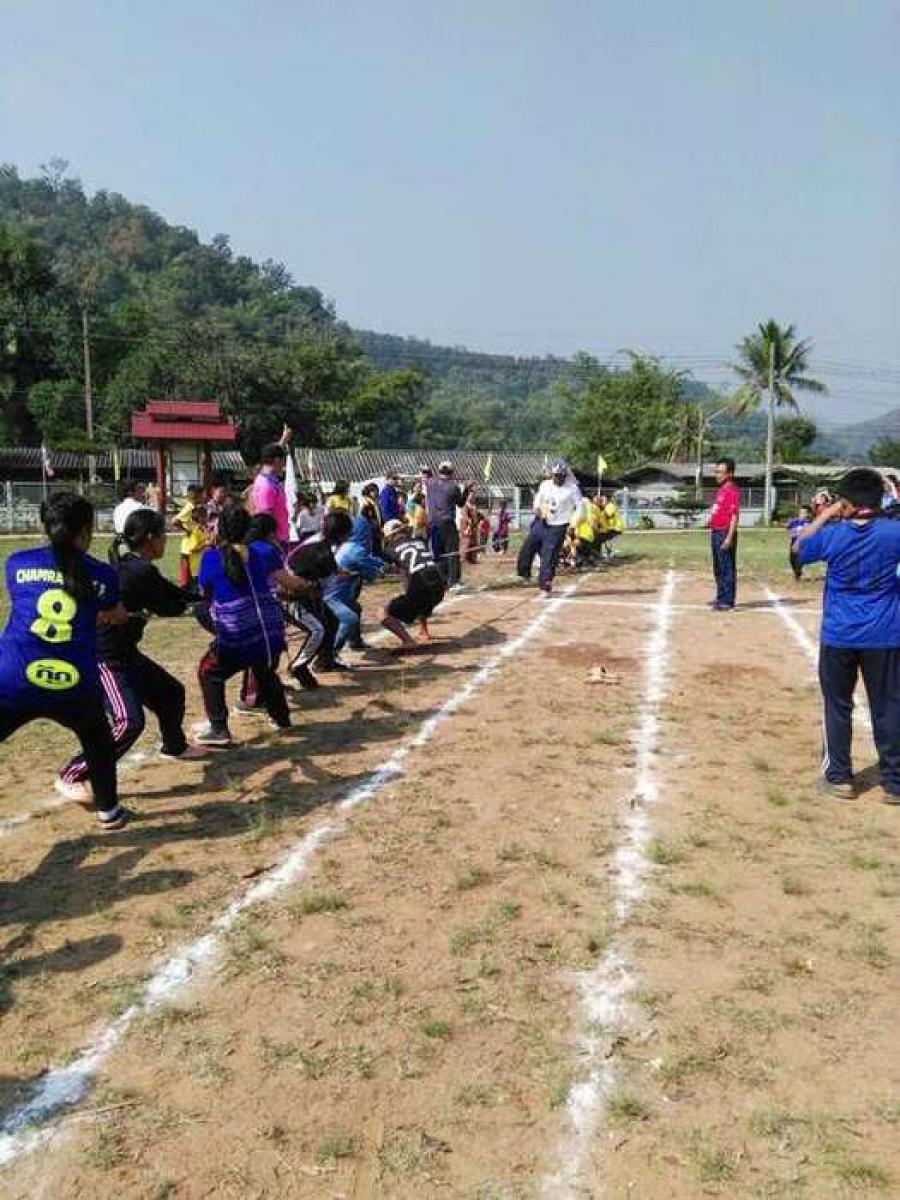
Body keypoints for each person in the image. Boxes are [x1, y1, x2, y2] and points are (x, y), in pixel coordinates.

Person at [0, 492, 130, 829]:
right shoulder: (102, 574)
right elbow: (115, 614)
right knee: (98, 741)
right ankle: (108, 810)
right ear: (85, 530)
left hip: (14, 677)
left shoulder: (16, 563)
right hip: (74, 683)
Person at [56, 509, 207, 799]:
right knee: (129, 722)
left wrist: (204, 597)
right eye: (162, 535)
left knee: (170, 693)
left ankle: (174, 746)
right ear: (150, 538)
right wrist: (202, 604)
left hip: (124, 652)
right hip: (103, 658)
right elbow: (169, 605)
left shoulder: (137, 566)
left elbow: (173, 592)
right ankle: (72, 773)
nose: (165, 541)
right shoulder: (139, 571)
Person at [793, 468, 900, 804]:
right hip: (885, 634)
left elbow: (799, 546)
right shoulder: (894, 532)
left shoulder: (834, 534)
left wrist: (826, 513)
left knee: (837, 705)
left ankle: (839, 777)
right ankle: (894, 783)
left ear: (847, 503)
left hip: (840, 634)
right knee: (889, 706)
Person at [195, 504, 304, 746]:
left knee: (208, 671)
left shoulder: (212, 557)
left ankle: (218, 729)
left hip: (239, 636)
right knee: (264, 669)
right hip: (272, 631)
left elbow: (206, 595)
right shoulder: (259, 553)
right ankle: (282, 718)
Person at [321, 510, 384, 669]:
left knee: (355, 607)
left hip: (334, 594)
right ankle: (328, 655)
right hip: (330, 597)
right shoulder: (355, 549)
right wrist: (382, 568)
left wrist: (381, 565)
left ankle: (355, 641)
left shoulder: (346, 547)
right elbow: (372, 575)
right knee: (349, 618)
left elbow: (370, 562)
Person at [517, 461, 582, 595]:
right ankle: (524, 573)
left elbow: (580, 507)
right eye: (556, 476)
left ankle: (545, 582)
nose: (558, 478)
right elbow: (538, 500)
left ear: (565, 476)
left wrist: (573, 523)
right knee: (528, 547)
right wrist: (537, 509)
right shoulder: (545, 485)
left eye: (561, 476)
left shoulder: (572, 488)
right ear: (552, 475)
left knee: (549, 554)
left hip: (559, 525)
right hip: (542, 522)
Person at [380, 519, 446, 649]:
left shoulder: (390, 549)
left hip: (421, 589)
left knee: (382, 612)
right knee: (422, 594)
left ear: (390, 536)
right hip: (439, 589)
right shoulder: (420, 542)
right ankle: (424, 631)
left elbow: (406, 579)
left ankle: (407, 641)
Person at [427, 461, 468, 588]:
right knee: (452, 552)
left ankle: (442, 580)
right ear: (451, 472)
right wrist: (466, 489)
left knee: (438, 553)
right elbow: (460, 503)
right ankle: (453, 581)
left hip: (433, 522)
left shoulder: (430, 483)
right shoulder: (453, 487)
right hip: (447, 522)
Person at [708, 457, 741, 611]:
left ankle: (727, 600)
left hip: (724, 533)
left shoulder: (732, 490)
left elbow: (734, 516)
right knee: (718, 567)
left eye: (721, 472)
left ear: (730, 474)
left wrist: (729, 537)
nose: (717, 475)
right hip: (716, 532)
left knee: (726, 567)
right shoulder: (721, 490)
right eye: (716, 472)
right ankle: (721, 596)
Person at [248, 442, 290, 546]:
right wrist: (274, 542)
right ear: (277, 460)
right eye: (283, 461)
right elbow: (265, 518)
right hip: (274, 541)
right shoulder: (266, 485)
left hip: (279, 538)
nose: (283, 465)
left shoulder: (269, 481)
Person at [172, 485, 209, 587]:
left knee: (193, 569)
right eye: (202, 495)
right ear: (196, 495)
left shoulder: (195, 507)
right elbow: (175, 521)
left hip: (194, 541)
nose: (203, 497)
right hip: (189, 545)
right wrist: (187, 530)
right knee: (186, 572)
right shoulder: (189, 507)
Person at [787, 504, 812, 580]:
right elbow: (790, 533)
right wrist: (797, 530)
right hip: (794, 543)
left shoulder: (809, 523)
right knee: (792, 559)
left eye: (804, 513)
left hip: (803, 544)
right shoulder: (794, 522)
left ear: (808, 514)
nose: (801, 514)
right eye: (801, 512)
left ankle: (802, 573)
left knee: (801, 559)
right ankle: (797, 573)